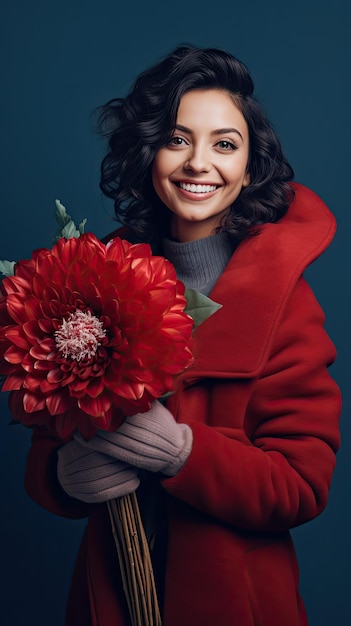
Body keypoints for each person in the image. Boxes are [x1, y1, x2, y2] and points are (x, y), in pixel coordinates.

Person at [24, 44, 342, 626]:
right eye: (177, 139)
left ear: (250, 168)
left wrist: (183, 453)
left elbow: (301, 485)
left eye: (225, 144)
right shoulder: (94, 278)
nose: (199, 163)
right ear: (150, 153)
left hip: (235, 605)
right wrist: (61, 475)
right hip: (111, 595)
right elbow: (48, 437)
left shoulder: (286, 304)